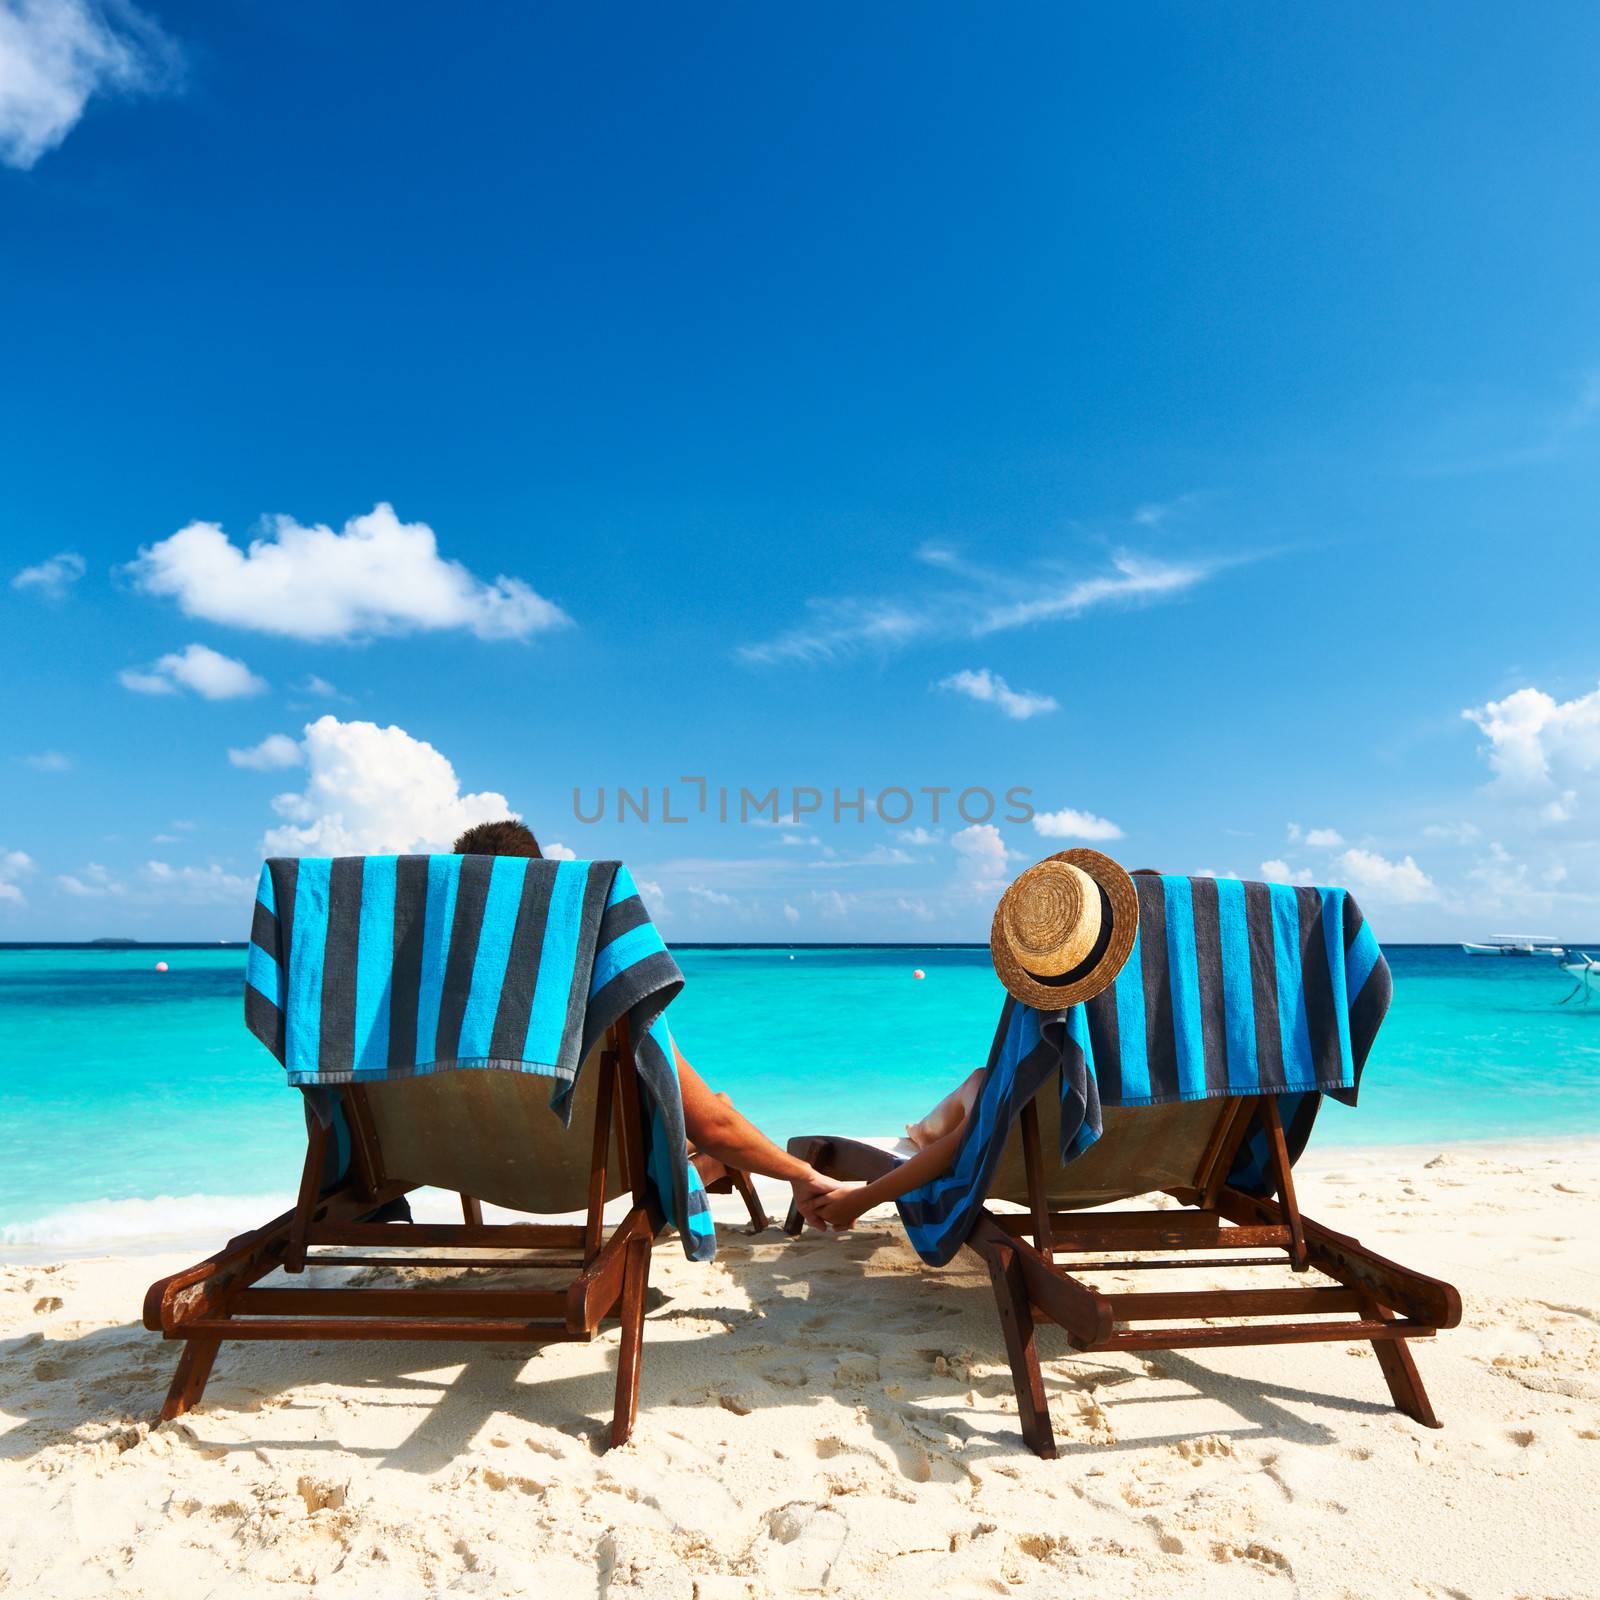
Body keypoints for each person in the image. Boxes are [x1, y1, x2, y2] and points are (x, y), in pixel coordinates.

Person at [451, 819, 847, 1227]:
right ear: (542, 889)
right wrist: (804, 1175)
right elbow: (711, 1126)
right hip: (591, 1172)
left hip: (468, 1168)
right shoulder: (597, 985)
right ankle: (731, 1181)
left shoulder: (414, 1017)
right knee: (714, 1112)